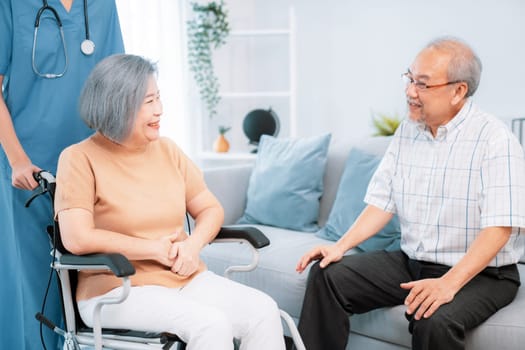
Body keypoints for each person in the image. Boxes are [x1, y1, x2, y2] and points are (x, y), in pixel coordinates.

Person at [296, 36, 525, 350]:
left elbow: (500, 228)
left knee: (433, 318)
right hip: (412, 262)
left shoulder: (496, 140)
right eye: (409, 78)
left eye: (422, 84)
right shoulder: (408, 131)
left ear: (458, 91)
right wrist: (340, 246)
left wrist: (448, 284)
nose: (409, 91)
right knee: (327, 275)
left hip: (484, 274)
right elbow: (382, 201)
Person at [54, 54, 286, 350]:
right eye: (148, 102)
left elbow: (210, 208)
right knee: (211, 324)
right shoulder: (78, 158)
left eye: (159, 98)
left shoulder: (168, 150)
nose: (160, 110)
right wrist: (153, 249)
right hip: (117, 288)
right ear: (117, 104)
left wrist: (193, 245)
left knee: (263, 311)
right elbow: (76, 238)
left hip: (184, 279)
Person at [0, 1, 124, 348]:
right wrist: (17, 158)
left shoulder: (101, 5)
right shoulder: (11, 5)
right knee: (35, 285)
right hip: (29, 169)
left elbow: (117, 82)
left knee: (91, 281)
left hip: (91, 164)